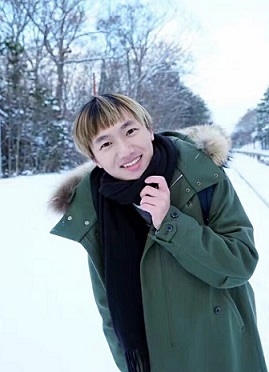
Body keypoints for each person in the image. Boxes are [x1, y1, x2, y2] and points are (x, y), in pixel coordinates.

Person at [49, 93, 267, 372]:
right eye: (106, 143)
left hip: (222, 349)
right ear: (96, 159)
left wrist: (170, 222)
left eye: (130, 130)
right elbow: (109, 311)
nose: (125, 149)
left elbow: (240, 263)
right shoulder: (94, 211)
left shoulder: (200, 174)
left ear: (149, 129)